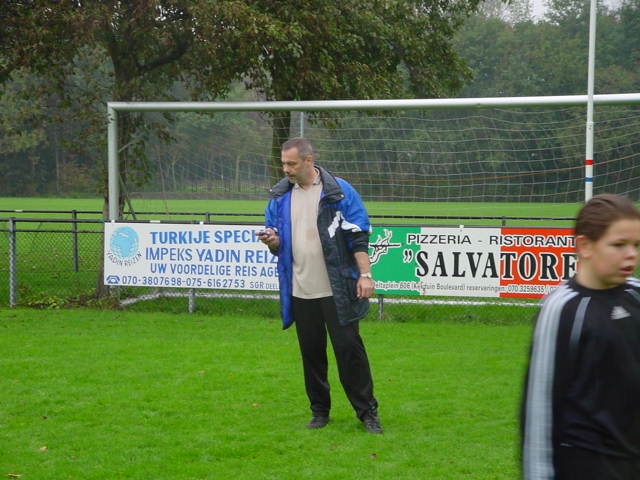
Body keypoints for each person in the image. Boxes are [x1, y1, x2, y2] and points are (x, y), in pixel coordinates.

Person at [256, 137, 382, 434]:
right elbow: (277, 243)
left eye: (291, 164)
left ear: (309, 160)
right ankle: (319, 412)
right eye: (283, 163)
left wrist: (365, 275)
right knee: (311, 354)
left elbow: (358, 236)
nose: (286, 169)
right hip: (301, 289)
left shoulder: (338, 191)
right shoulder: (279, 197)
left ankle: (367, 413)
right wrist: (272, 241)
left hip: (338, 290)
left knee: (350, 352)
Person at [521, 193, 640, 479]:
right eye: (619, 245)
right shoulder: (562, 308)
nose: (631, 254)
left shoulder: (636, 295)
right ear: (585, 246)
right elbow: (538, 407)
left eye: (636, 245)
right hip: (583, 465)